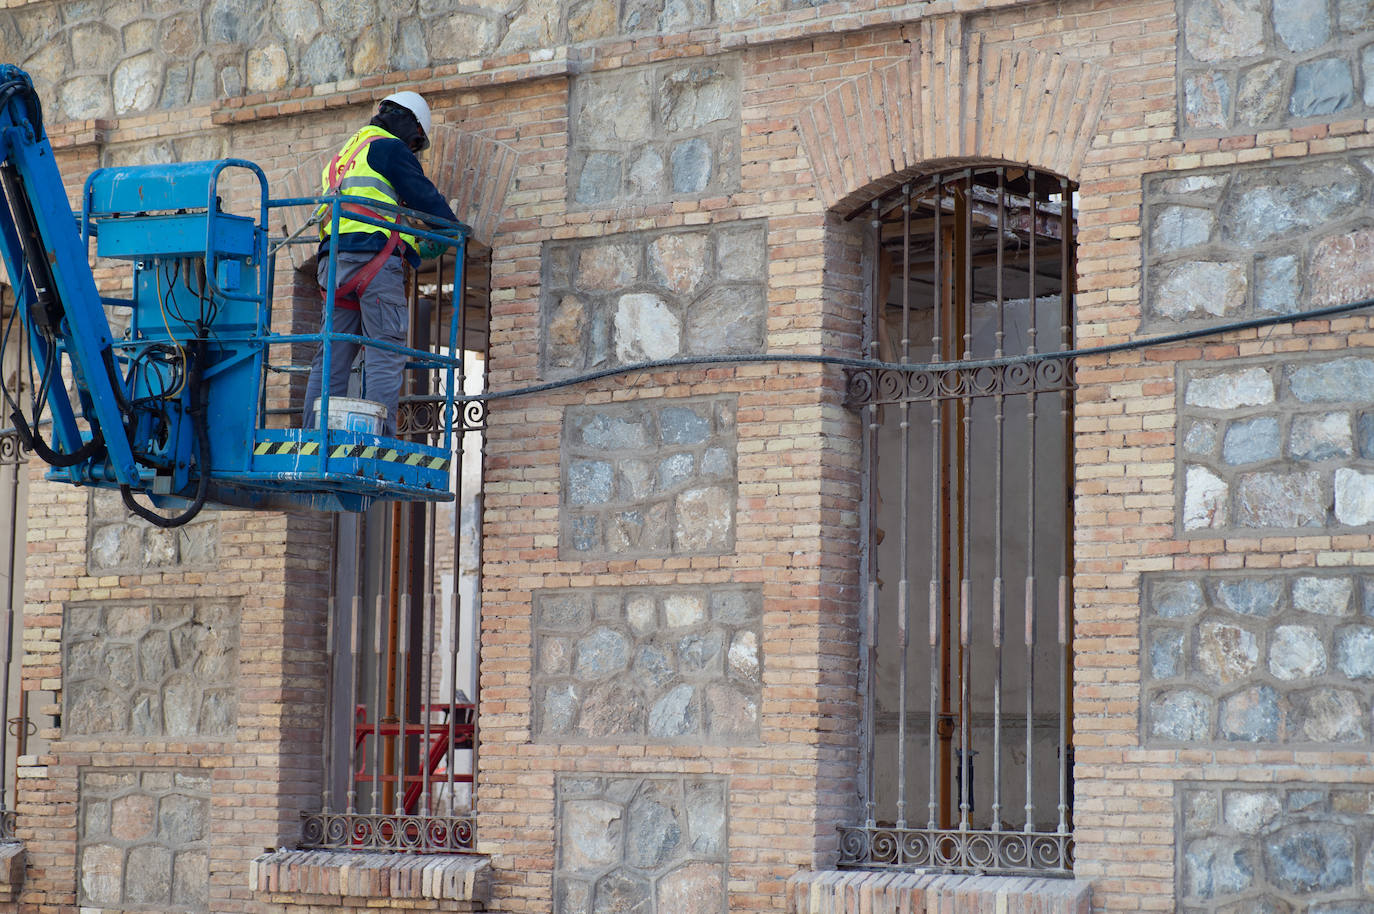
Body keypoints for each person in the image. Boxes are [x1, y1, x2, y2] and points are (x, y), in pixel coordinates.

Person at [302, 90, 458, 436]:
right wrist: (452, 229)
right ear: (407, 121)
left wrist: (415, 246)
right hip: (371, 263)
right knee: (385, 350)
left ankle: (314, 436)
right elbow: (423, 196)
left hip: (335, 265)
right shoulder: (388, 147)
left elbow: (368, 217)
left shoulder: (345, 154)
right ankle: (377, 439)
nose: (415, 148)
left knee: (332, 355)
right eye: (417, 140)